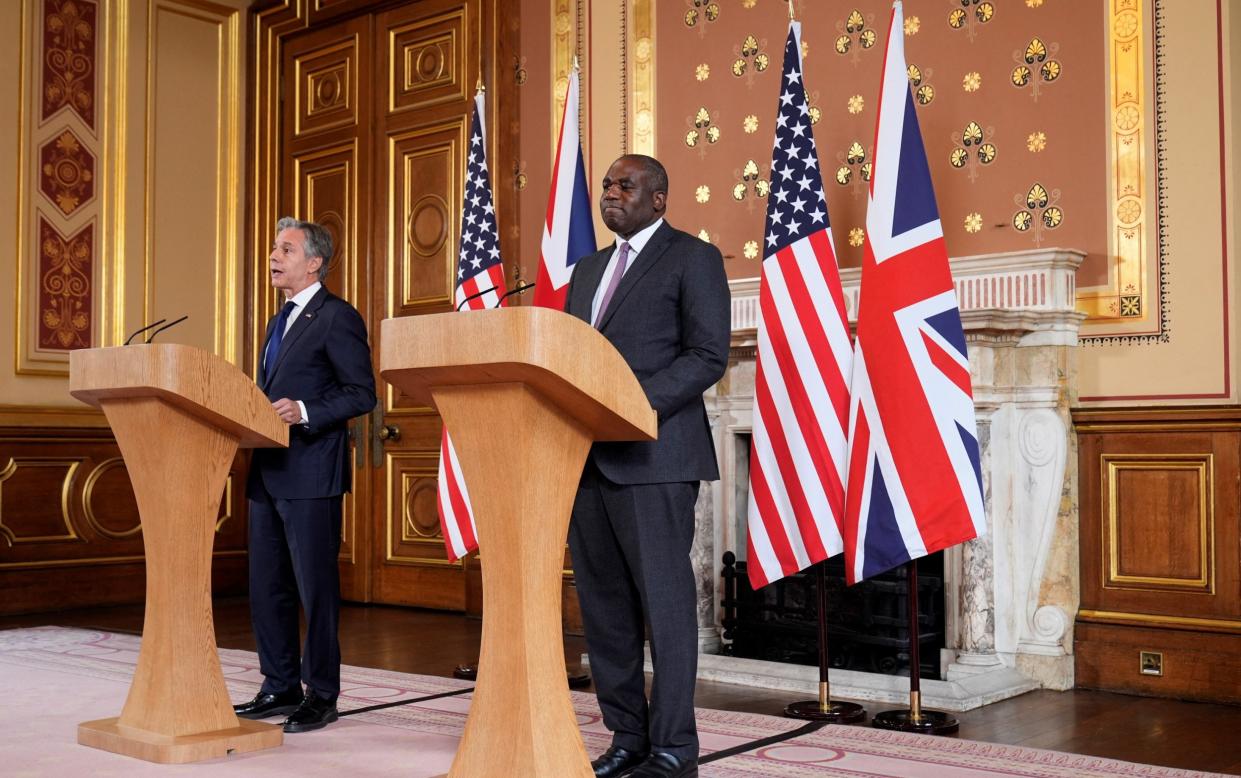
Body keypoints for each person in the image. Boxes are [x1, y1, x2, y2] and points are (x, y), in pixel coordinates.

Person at [564, 155, 730, 778]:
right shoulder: (588, 270)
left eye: (624, 186)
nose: (611, 194)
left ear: (658, 199)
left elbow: (707, 355)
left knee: (664, 609)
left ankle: (673, 750)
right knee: (605, 613)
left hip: (656, 458)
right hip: (587, 461)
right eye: (606, 185)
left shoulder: (694, 258)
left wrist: (632, 404)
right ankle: (627, 738)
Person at [232, 217, 376, 733]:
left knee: (315, 590)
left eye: (285, 249)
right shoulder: (278, 320)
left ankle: (322, 694)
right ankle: (279, 685)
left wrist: (307, 410)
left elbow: (362, 393)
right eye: (274, 248)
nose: (274, 256)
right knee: (268, 586)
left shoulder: (337, 317)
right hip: (267, 471)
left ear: (314, 262)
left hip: (312, 473)